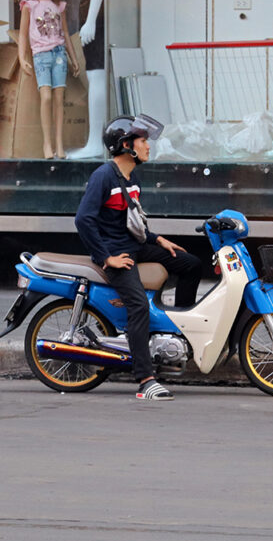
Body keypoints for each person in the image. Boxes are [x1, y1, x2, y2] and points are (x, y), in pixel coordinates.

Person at [75, 115, 202, 401]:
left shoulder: (132, 178)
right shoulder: (103, 176)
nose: (148, 146)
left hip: (135, 244)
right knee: (139, 306)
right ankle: (145, 381)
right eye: (143, 141)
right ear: (126, 145)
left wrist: (157, 239)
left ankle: (179, 329)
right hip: (116, 252)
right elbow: (83, 220)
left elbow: (132, 222)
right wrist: (106, 258)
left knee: (191, 264)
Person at [18, 0, 80, 159]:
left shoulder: (59, 5)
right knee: (46, 97)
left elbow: (65, 33)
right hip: (40, 55)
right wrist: (21, 58)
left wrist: (73, 58)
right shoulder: (29, 6)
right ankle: (47, 143)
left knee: (59, 99)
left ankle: (59, 144)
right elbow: (22, 34)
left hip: (59, 54)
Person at [67, 0, 107, 159]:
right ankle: (96, 141)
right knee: (96, 74)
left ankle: (95, 142)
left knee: (96, 74)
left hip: (95, 5)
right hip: (93, 4)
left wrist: (90, 20)